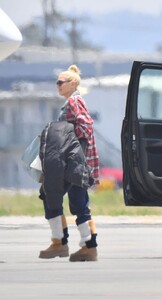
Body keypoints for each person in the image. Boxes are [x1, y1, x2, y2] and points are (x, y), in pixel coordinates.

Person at [38, 64, 100, 262]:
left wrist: (64, 138)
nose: (57, 85)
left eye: (60, 82)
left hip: (74, 163)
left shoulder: (75, 102)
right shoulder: (70, 103)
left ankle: (75, 245)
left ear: (72, 84)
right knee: (60, 198)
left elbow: (85, 127)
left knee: (71, 201)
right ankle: (67, 244)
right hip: (70, 162)